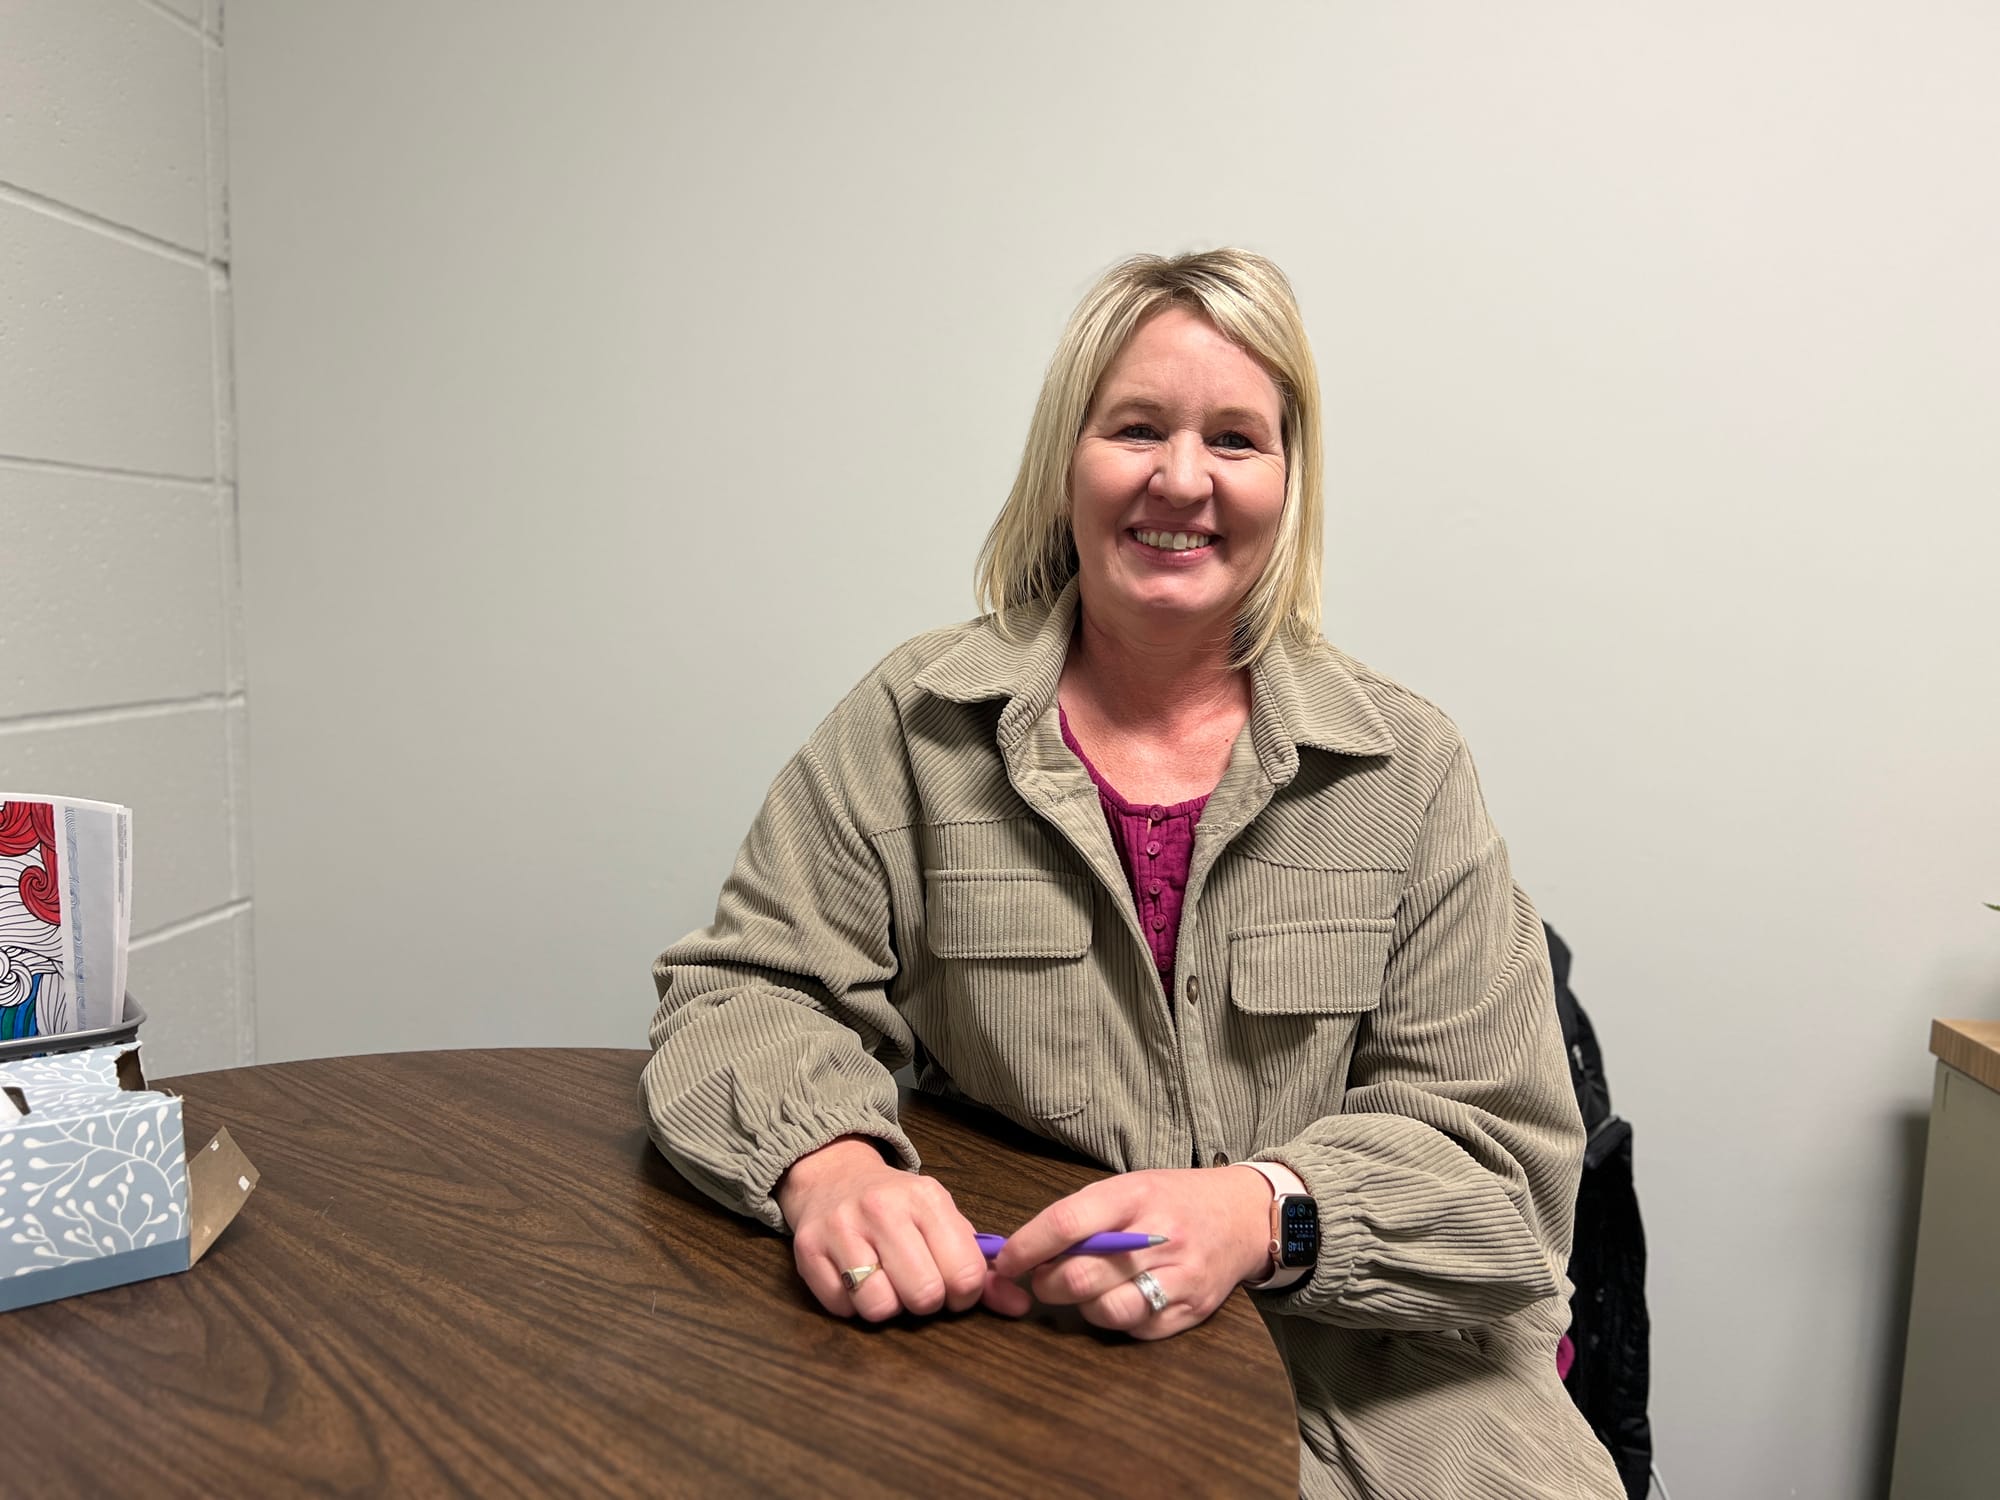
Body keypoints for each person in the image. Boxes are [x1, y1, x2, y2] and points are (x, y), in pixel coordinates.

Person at [641, 248, 1623, 1499]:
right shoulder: (915, 724)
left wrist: (1269, 1212)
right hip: (1049, 1357)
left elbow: (1508, 1176)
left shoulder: (1406, 769)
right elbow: (744, 993)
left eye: (1234, 439)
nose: (1180, 479)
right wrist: (823, 1163)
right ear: (1067, 463)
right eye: (1136, 429)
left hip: (1394, 1389)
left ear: (1287, 481)